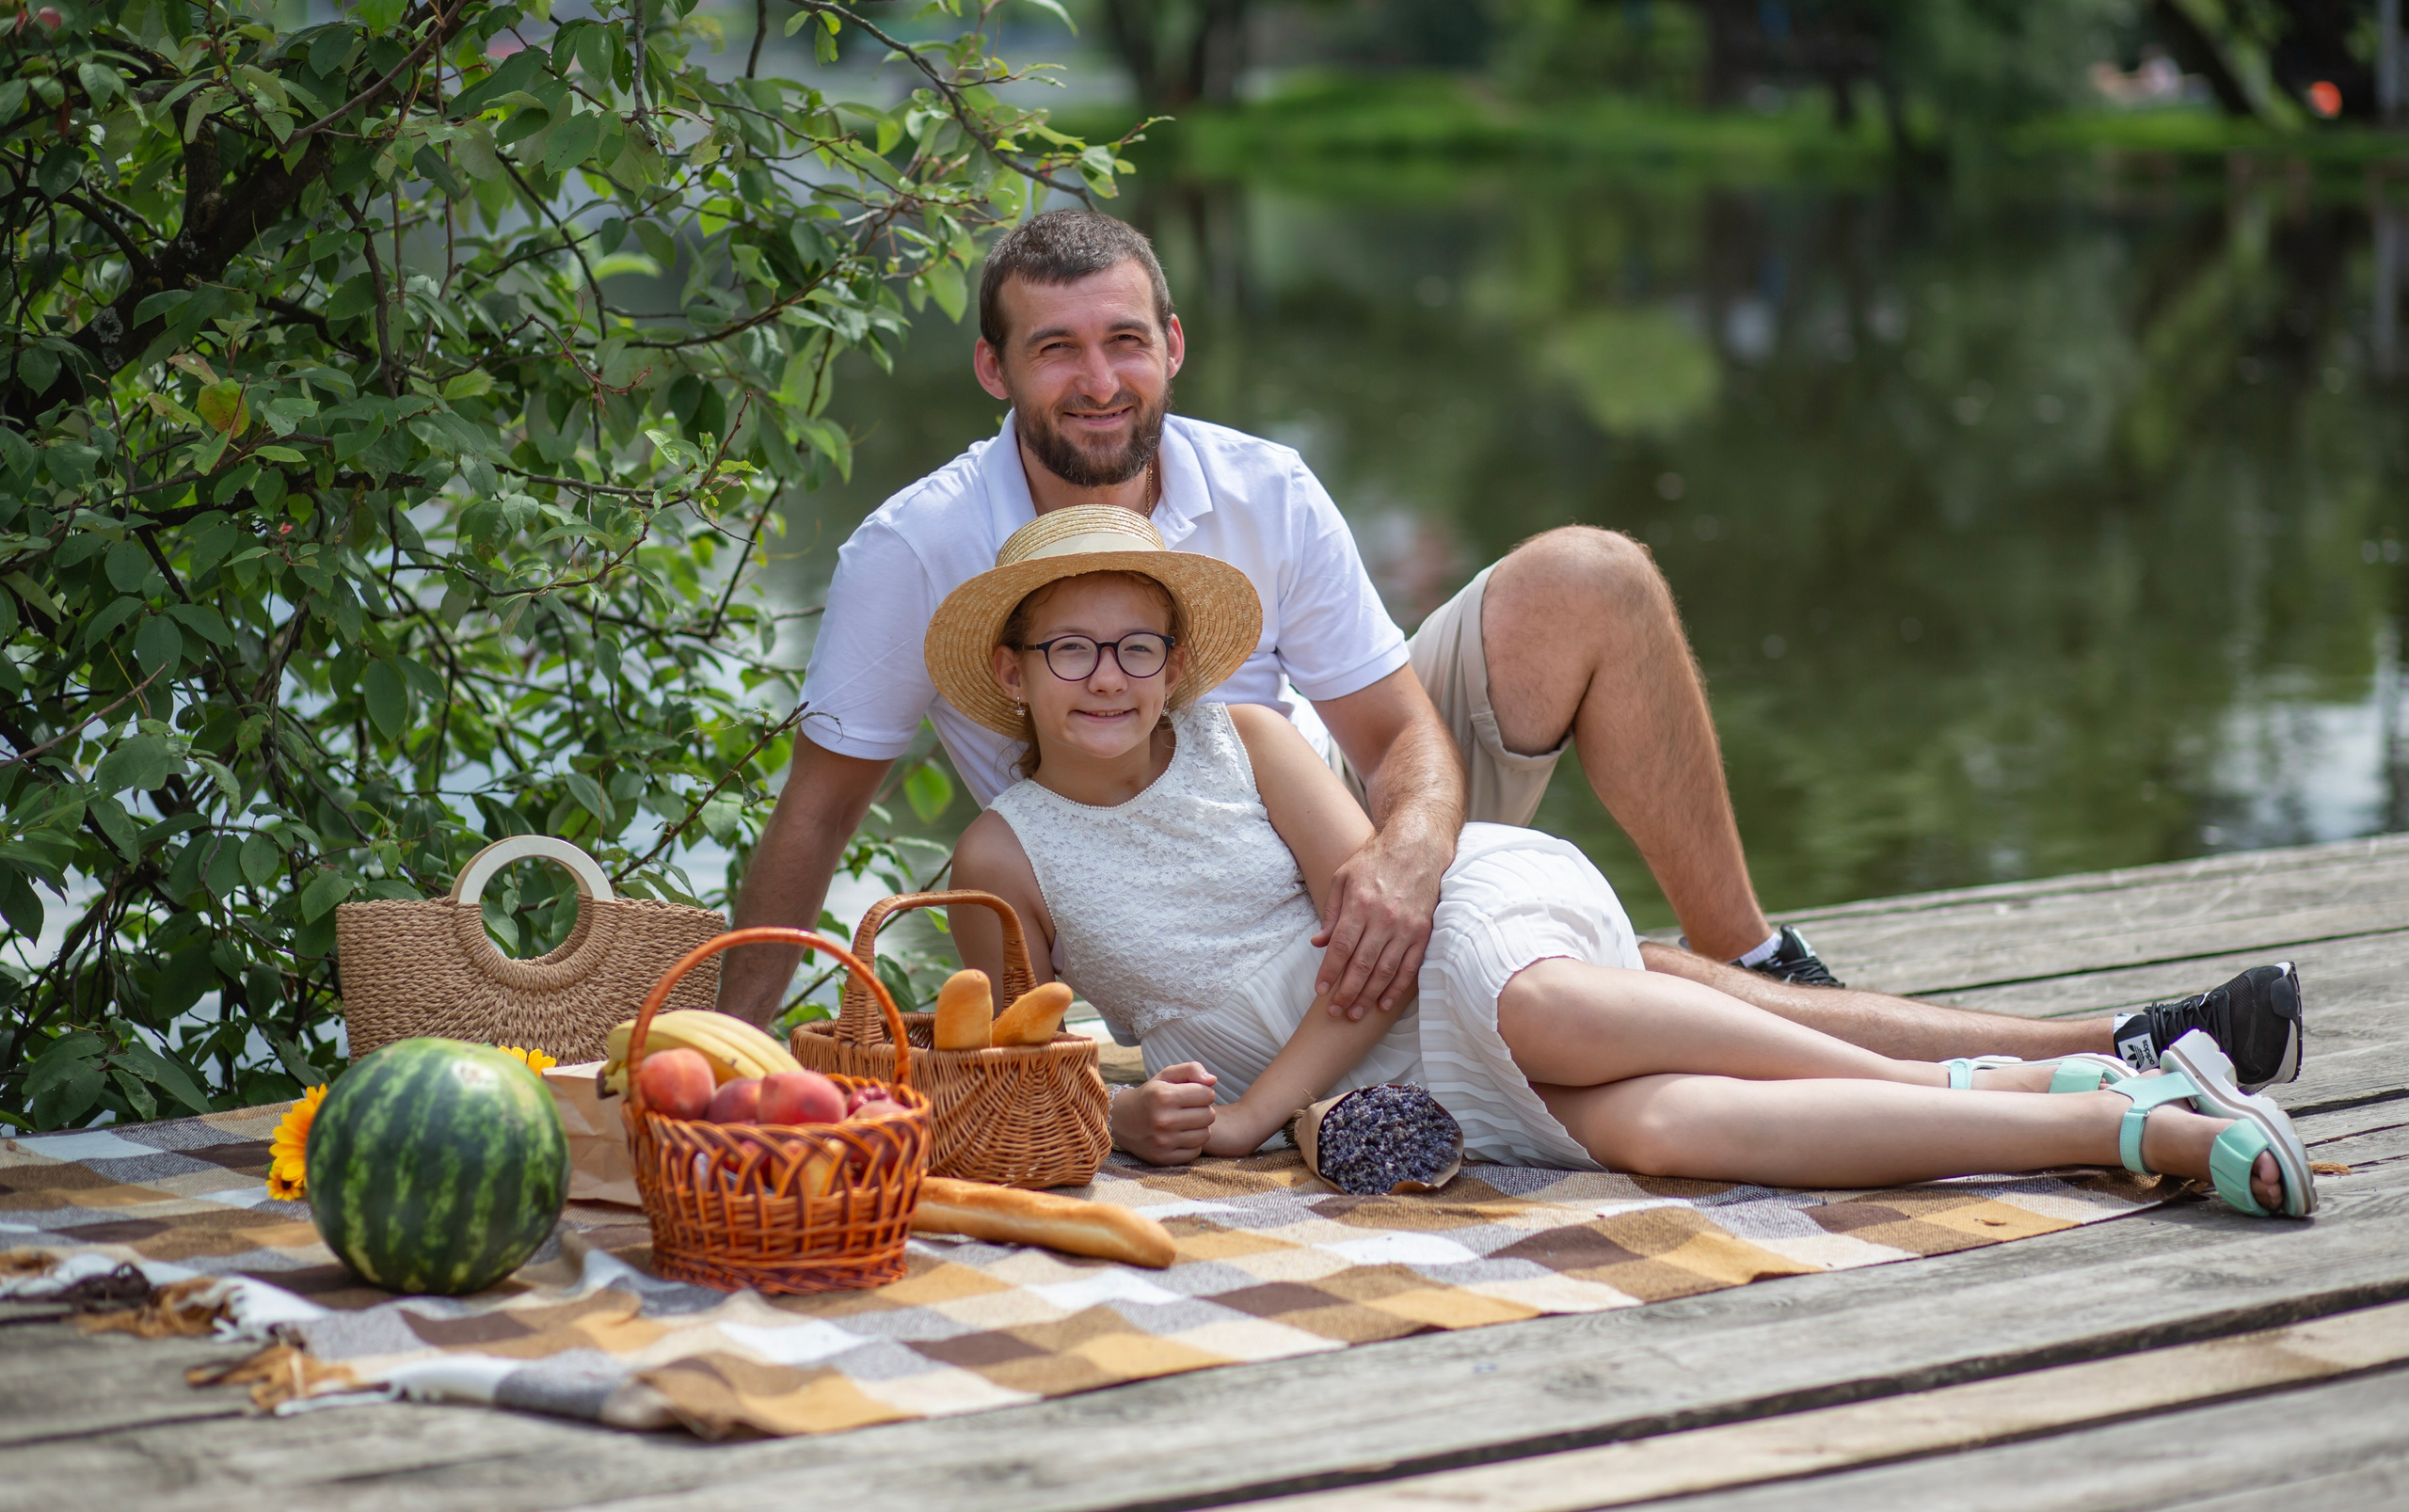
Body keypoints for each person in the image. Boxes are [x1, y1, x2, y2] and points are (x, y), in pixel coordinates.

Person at [723, 208, 2304, 1087]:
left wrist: (1406, 863)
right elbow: (815, 821)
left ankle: (1781, 959)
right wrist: (739, 1043)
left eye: (1125, 340)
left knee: (1592, 578)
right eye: (1054, 348)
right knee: (1604, 988)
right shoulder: (913, 554)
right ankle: (2097, 1053)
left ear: (1172, 349)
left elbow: (1405, 733)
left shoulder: (1262, 487)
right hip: (1165, 921)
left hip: (1317, 810)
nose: (1096, 378)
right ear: (994, 367)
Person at [929, 508, 2315, 1218]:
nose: (1105, 677)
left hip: (1461, 941)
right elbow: (1014, 1083)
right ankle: (2111, 1116)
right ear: (1013, 670)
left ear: (1176, 662)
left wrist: (1247, 1119)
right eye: (1068, 648)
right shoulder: (1003, 854)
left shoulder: (1245, 738)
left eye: (1134, 647)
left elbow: (1377, 938)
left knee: (1546, 1005)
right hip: (1393, 1073)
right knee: (1663, 1138)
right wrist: (1126, 1124)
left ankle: (2095, 1090)